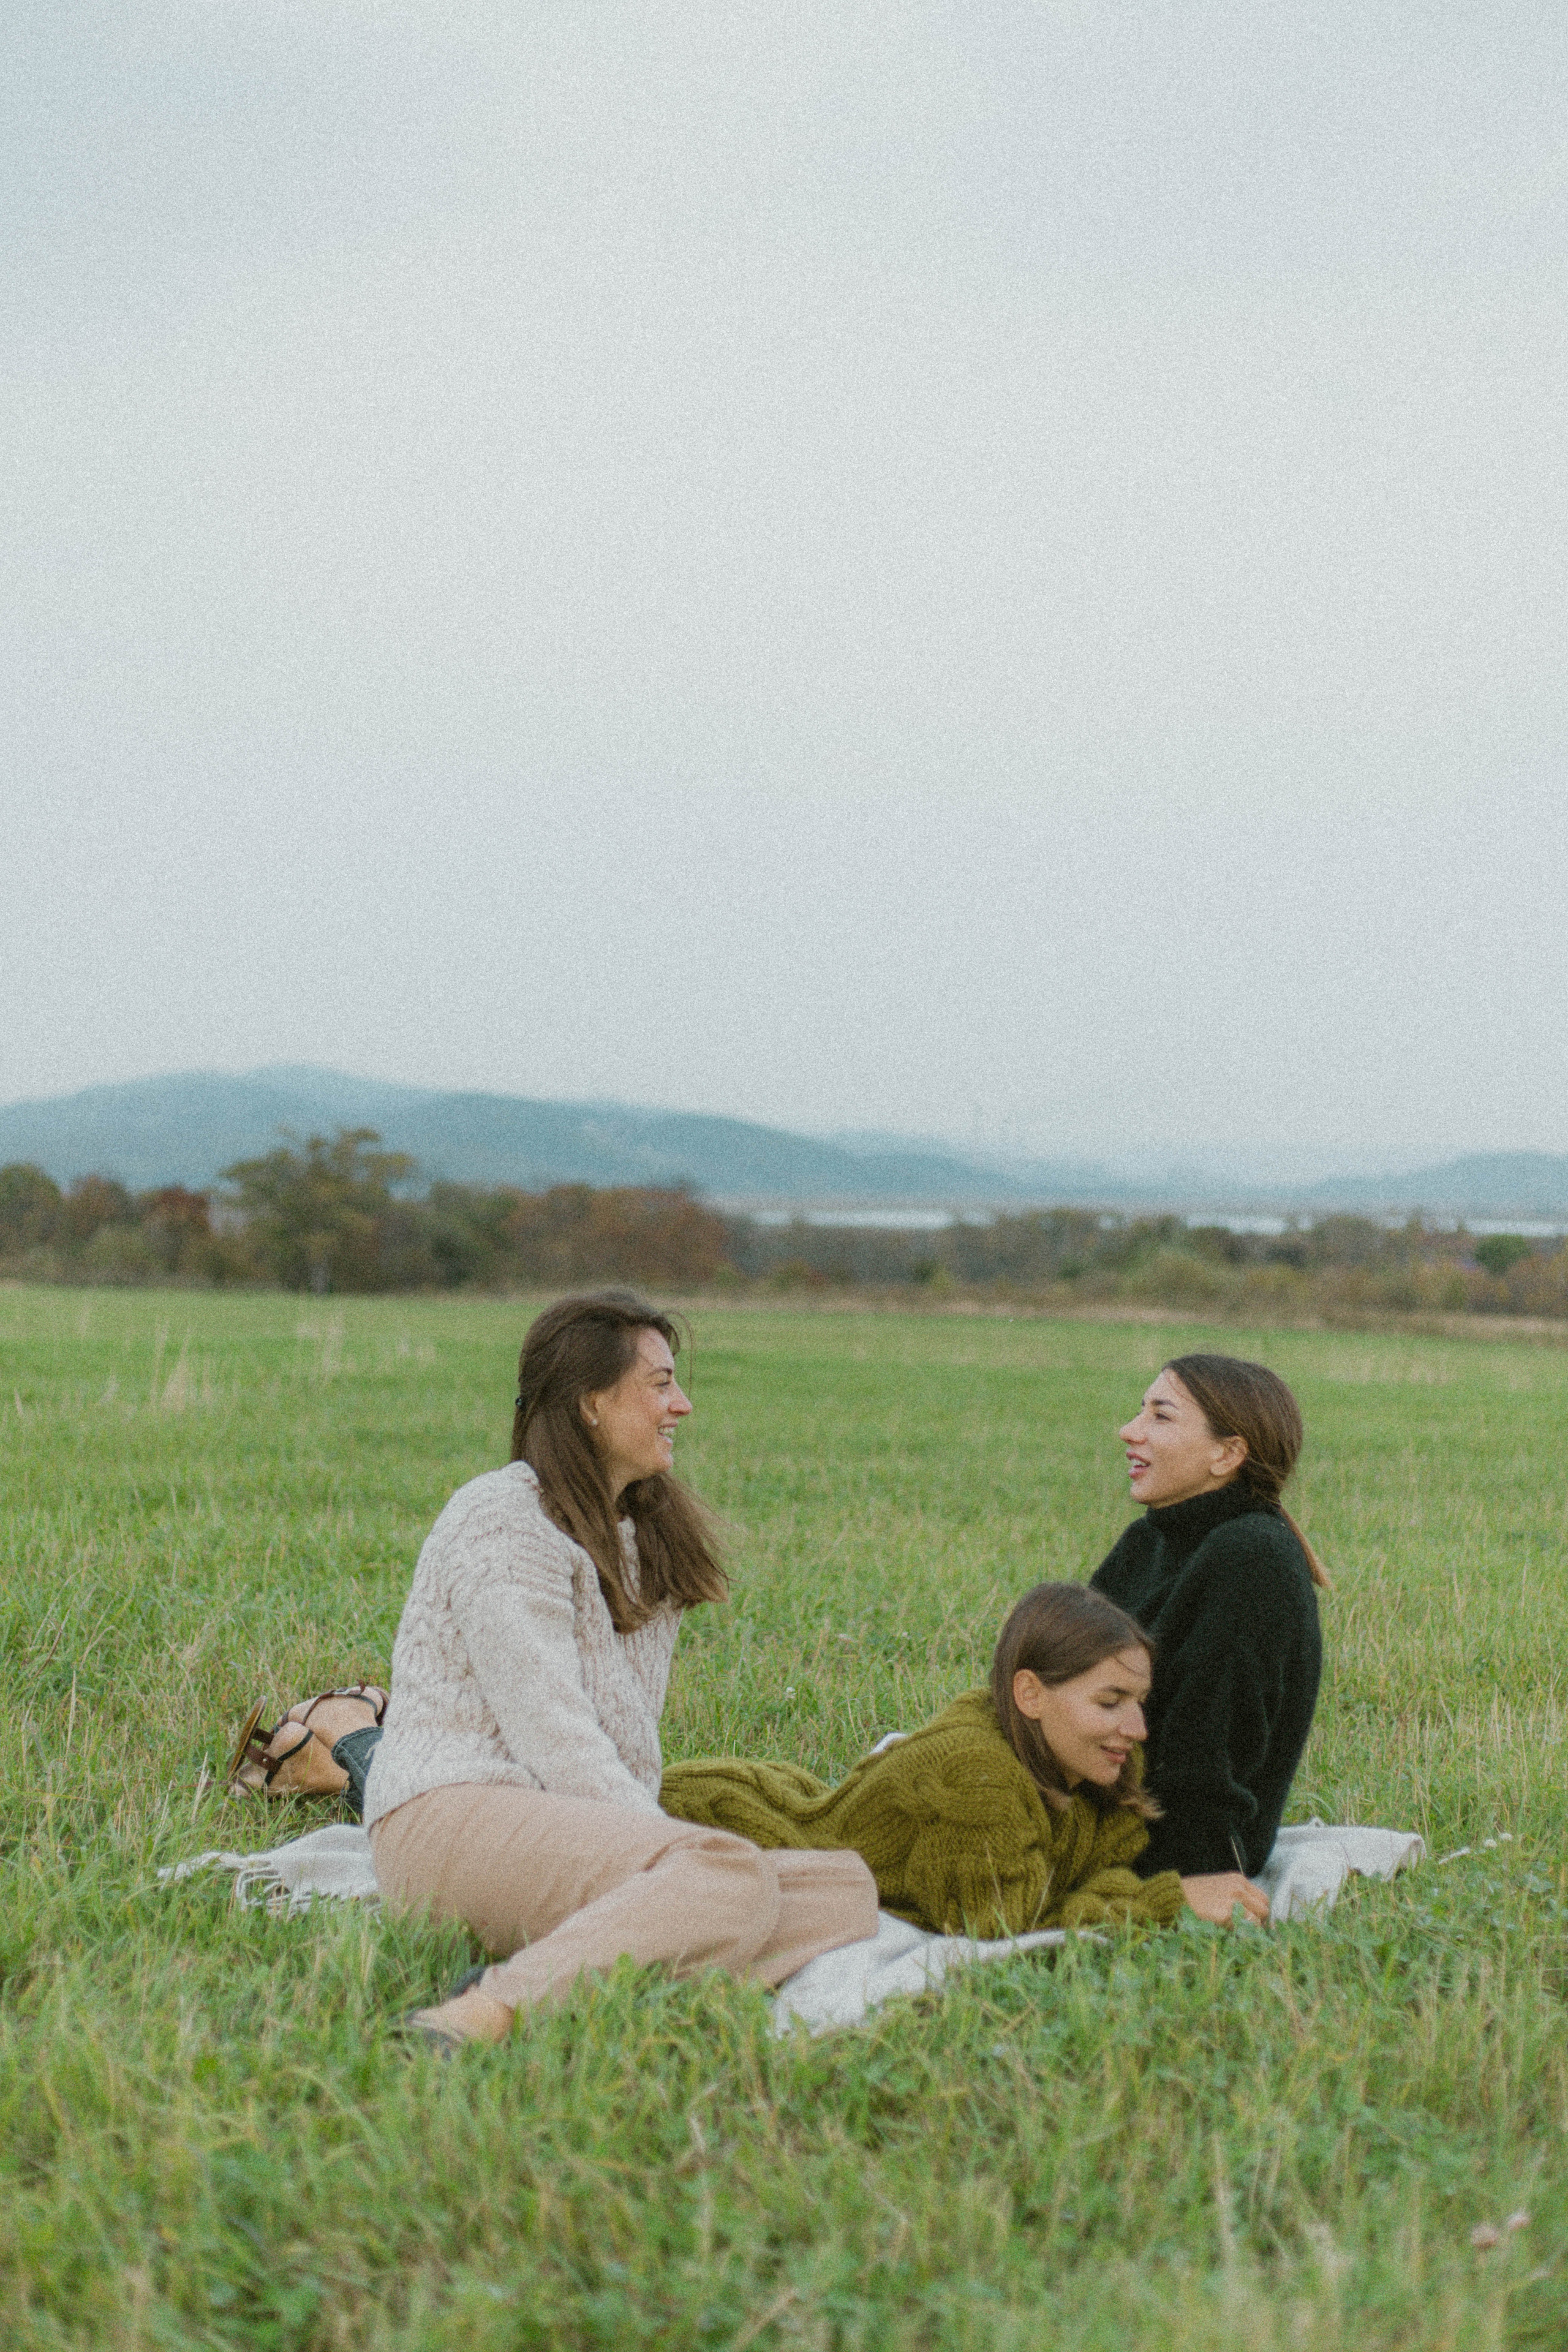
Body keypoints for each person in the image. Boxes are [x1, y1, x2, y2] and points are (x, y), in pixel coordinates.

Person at [364, 1291, 878, 2051]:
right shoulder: (500, 1519)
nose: (684, 1406)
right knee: (728, 1877)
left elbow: (630, 1742)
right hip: (450, 1814)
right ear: (592, 1405)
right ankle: (484, 2013)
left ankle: (602, 1959)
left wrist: (663, 1873)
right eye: (660, 1384)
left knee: (845, 1888)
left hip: (567, 1826)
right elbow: (556, 1733)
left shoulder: (646, 1536)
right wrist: (666, 1863)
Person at [663, 1584, 1190, 1938]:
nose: (1138, 1729)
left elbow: (1097, 1870)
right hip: (706, 1824)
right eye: (1109, 1702)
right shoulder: (974, 1775)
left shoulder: (1093, 1766)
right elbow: (1003, 1928)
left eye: (1139, 1702)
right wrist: (1166, 1903)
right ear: (1030, 1695)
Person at [1090, 1352, 1328, 1923]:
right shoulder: (1146, 1544)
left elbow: (1209, 1741)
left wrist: (1198, 1873)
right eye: (1139, 1411)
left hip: (1153, 1843)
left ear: (1228, 1453)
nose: (1130, 1430)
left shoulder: (1250, 1558)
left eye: (1161, 1417)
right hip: (1086, 1798)